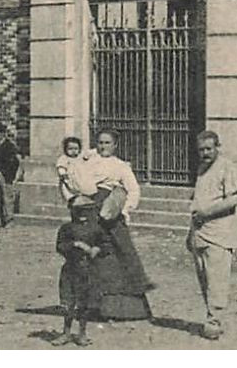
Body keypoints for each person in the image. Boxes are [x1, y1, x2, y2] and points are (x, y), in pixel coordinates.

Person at [79, 130, 154, 321]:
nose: (103, 146)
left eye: (107, 143)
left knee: (120, 255)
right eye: (100, 142)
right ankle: (92, 306)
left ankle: (124, 309)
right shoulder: (88, 162)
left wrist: (124, 209)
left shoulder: (121, 166)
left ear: (115, 145)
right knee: (90, 256)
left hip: (110, 213)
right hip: (90, 210)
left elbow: (133, 190)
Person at [188, 129, 237, 341]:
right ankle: (211, 315)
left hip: (220, 233)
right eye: (201, 150)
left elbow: (232, 200)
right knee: (204, 279)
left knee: (217, 279)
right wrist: (190, 231)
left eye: (209, 149)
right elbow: (198, 201)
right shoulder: (201, 169)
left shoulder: (228, 168)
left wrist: (206, 213)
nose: (205, 153)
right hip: (200, 232)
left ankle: (214, 321)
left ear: (217, 147)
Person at [53, 194, 107, 346]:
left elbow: (105, 244)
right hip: (70, 268)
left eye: (86, 210)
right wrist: (76, 245)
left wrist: (97, 249)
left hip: (87, 269)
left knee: (84, 304)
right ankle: (66, 332)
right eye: (79, 210)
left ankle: (82, 333)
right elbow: (60, 246)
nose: (82, 214)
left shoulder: (96, 228)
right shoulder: (66, 228)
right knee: (68, 303)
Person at [0, 123, 23, 227]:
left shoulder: (10, 146)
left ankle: (9, 219)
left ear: (5, 133)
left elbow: (14, 162)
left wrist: (8, 174)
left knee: (7, 197)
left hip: (5, 174)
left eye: (1, 133)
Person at [56, 135, 97, 204]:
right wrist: (63, 173)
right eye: (70, 149)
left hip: (81, 177)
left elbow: (90, 153)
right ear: (65, 149)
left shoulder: (80, 156)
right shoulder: (64, 158)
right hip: (70, 179)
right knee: (68, 189)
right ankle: (72, 199)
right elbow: (61, 166)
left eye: (76, 149)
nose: (73, 151)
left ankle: (87, 195)